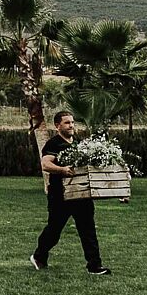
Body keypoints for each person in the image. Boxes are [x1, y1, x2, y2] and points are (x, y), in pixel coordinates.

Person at [31, 110, 110, 274]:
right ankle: (39, 256)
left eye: (72, 122)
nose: (71, 125)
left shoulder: (79, 143)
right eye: (67, 123)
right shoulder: (53, 144)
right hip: (61, 196)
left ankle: (94, 266)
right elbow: (45, 165)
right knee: (54, 230)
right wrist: (61, 169)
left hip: (81, 193)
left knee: (88, 230)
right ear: (57, 125)